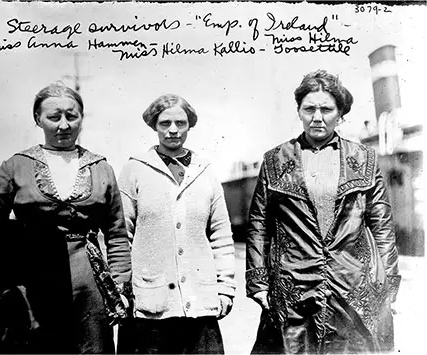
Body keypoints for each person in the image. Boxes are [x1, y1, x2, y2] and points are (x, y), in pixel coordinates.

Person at [0, 83, 132, 354]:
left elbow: (117, 233)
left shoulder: (101, 168)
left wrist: (119, 284)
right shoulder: (16, 165)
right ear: (38, 119)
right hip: (29, 279)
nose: (64, 125)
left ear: (82, 119)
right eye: (54, 117)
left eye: (71, 116)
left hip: (87, 282)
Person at [246, 70, 401, 354]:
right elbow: (259, 224)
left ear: (340, 113)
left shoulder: (364, 159)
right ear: (299, 112)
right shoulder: (274, 160)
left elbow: (382, 225)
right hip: (293, 286)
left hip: (352, 285)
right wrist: (258, 281)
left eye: (327, 109)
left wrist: (389, 282)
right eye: (309, 109)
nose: (317, 117)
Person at [117, 94, 236, 354]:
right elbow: (121, 236)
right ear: (153, 126)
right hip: (149, 306)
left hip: (199, 305)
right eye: (165, 123)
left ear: (190, 125)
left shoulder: (205, 172)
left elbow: (221, 236)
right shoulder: (134, 171)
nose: (173, 130)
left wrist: (225, 288)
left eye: (180, 123)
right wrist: (123, 290)